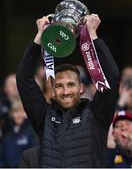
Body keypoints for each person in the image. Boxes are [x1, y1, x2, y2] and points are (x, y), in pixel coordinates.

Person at [16, 13, 119, 167]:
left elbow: (112, 77)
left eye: (71, 85)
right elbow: (23, 79)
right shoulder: (43, 116)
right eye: (59, 86)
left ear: (81, 88)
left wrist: (92, 35)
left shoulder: (97, 113)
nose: (65, 91)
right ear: (52, 90)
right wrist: (40, 37)